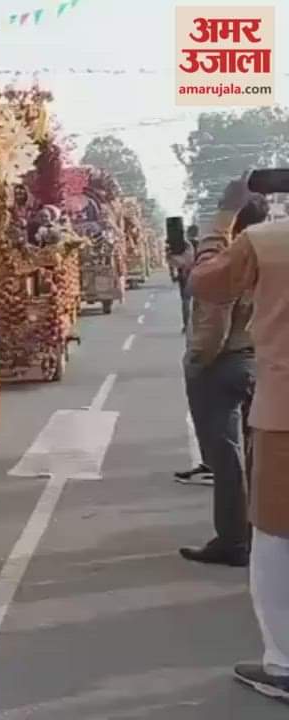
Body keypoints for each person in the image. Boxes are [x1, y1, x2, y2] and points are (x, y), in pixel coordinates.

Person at [190, 174, 289, 703]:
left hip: (284, 418)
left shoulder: (269, 242)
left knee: (276, 540)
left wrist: (224, 217)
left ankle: (283, 664)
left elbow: (205, 282)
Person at [179, 196, 268, 568]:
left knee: (225, 457)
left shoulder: (229, 260)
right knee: (257, 455)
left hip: (223, 362)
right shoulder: (270, 254)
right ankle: (262, 536)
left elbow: (213, 323)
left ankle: (233, 540)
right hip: (257, 360)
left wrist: (197, 362)